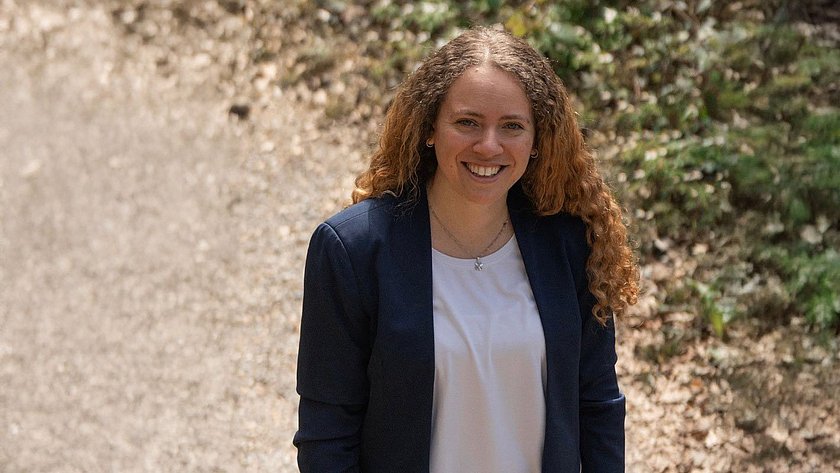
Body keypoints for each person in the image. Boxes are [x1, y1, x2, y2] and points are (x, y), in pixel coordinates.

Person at [293, 26, 639, 473]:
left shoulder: (569, 243)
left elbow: (597, 404)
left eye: (512, 126)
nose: (489, 145)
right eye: (468, 122)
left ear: (537, 141)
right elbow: (327, 433)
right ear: (429, 128)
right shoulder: (353, 250)